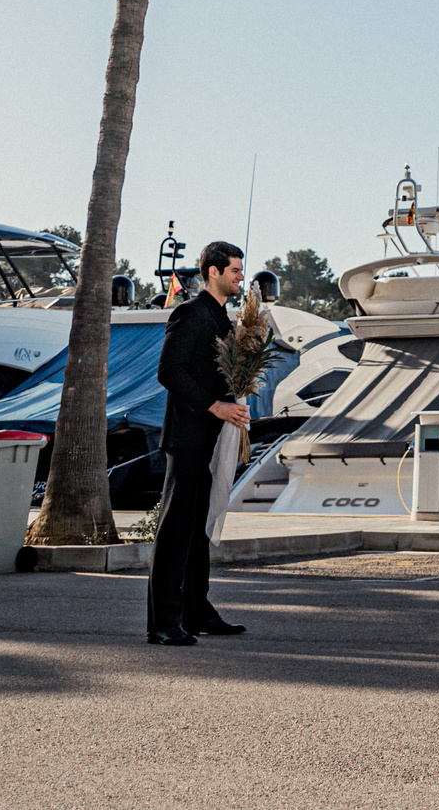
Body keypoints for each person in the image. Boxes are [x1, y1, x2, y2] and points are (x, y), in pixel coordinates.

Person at [146, 241, 251, 646]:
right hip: (187, 436)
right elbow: (169, 372)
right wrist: (215, 407)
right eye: (235, 271)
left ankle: (197, 611)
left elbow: (225, 378)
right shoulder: (188, 313)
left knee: (198, 530)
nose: (241, 276)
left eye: (241, 270)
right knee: (175, 528)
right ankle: (162, 623)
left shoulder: (226, 321)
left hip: (215, 438)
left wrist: (237, 406)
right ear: (213, 271)